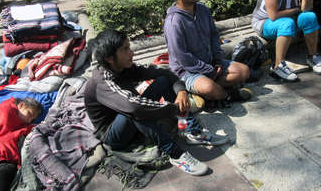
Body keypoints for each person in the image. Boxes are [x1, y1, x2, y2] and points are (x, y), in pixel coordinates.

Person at [84, 29, 227, 176]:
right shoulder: (102, 81)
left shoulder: (124, 68)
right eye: (125, 49)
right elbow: (134, 107)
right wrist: (173, 108)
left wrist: (181, 91)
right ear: (109, 58)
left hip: (131, 112)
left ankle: (192, 131)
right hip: (113, 135)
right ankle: (176, 154)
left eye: (129, 47)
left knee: (162, 82)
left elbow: (165, 72)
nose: (131, 53)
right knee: (136, 111)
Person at [164, 0, 252, 105]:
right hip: (187, 71)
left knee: (244, 71)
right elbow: (183, 57)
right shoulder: (174, 22)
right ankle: (226, 95)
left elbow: (214, 36)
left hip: (211, 64)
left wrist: (217, 60)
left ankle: (205, 94)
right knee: (209, 87)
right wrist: (208, 70)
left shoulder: (202, 10)